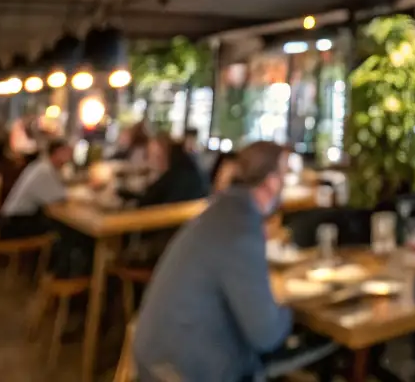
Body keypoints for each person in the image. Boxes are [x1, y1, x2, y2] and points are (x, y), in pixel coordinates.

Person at [133, 142, 333, 382]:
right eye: (284, 174)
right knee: (324, 344)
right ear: (272, 182)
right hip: (183, 371)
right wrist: (288, 310)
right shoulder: (241, 229)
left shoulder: (218, 212)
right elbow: (266, 334)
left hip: (153, 359)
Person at [0, 138, 72, 239]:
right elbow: (60, 196)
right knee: (61, 233)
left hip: (12, 220)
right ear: (56, 153)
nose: (68, 158)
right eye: (65, 153)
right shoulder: (45, 171)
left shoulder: (42, 166)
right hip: (16, 223)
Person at [137, 136, 211, 207]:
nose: (151, 162)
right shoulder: (182, 171)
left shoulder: (180, 179)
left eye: (156, 156)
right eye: (150, 155)